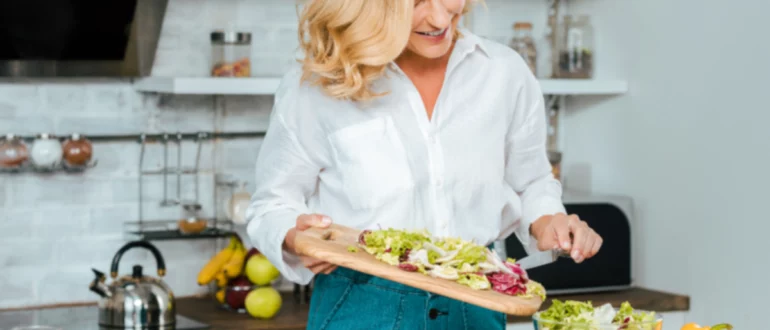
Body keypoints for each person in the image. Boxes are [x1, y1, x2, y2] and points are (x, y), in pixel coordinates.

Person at [246, 0, 603, 329]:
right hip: (361, 302)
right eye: (414, 3)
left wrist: (551, 221)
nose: (439, 17)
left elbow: (531, 183)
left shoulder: (503, 72)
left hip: (477, 302)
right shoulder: (317, 83)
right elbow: (272, 205)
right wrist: (296, 236)